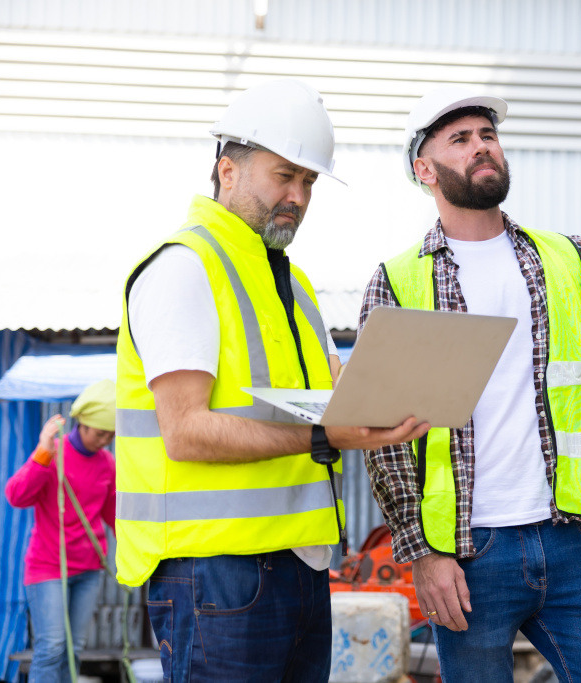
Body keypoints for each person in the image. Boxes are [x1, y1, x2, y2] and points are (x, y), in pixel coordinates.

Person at [360, 86, 581, 682]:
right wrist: (423, 553)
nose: (481, 147)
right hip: (469, 555)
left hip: (575, 545)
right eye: (461, 139)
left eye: (488, 135)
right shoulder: (400, 279)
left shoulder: (565, 258)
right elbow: (385, 436)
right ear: (425, 169)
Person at [114, 79, 428, 682]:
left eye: (309, 182)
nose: (299, 197)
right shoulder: (185, 268)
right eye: (284, 176)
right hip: (216, 571)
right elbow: (185, 433)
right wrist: (327, 437)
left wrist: (404, 398)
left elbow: (337, 400)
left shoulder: (294, 285)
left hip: (300, 566)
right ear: (226, 171)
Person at [5, 378, 118, 683]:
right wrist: (42, 452)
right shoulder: (52, 454)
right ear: (82, 423)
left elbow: (114, 516)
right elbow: (16, 496)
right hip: (48, 568)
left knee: (73, 649)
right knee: (52, 647)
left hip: (89, 570)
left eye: (111, 434)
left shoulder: (108, 463)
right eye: (100, 432)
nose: (105, 440)